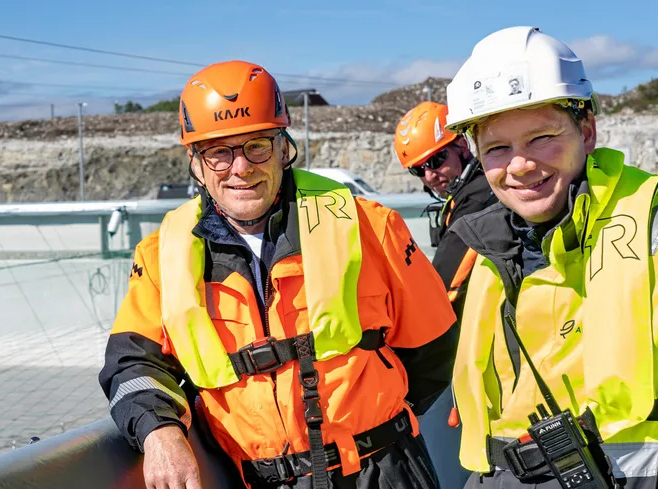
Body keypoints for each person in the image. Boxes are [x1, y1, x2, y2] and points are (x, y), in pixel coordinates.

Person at [441, 26, 658, 488]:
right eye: (498, 148)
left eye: (541, 137)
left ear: (586, 132)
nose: (520, 164)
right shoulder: (490, 254)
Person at [98, 59, 459, 489]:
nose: (241, 168)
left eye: (256, 146)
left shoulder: (368, 225)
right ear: (195, 164)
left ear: (282, 146)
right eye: (218, 152)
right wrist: (159, 431)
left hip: (384, 472)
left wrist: (374, 426)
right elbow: (131, 363)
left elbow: (434, 347)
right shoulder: (161, 257)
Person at [394, 101, 496, 311]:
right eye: (418, 170)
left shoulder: (477, 199)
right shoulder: (469, 192)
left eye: (436, 160)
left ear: (463, 146)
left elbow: (442, 287)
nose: (429, 175)